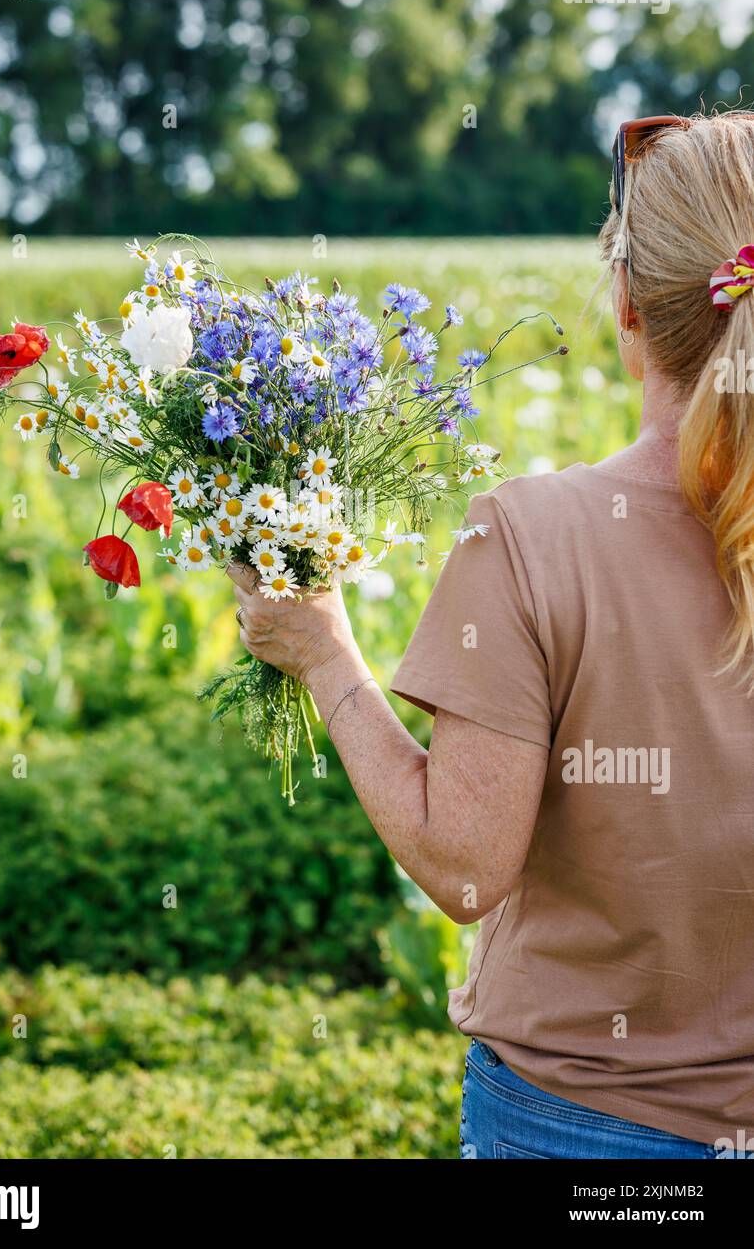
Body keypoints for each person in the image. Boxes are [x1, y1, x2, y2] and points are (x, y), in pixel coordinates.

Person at [229, 111, 754, 1160]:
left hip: (582, 1131)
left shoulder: (528, 534)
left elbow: (462, 871)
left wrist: (323, 651)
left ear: (625, 305)